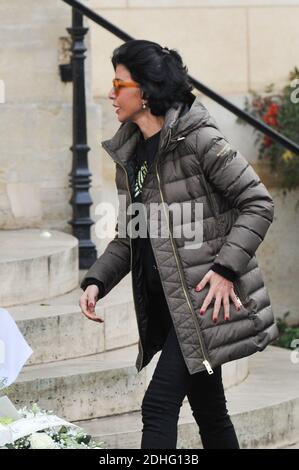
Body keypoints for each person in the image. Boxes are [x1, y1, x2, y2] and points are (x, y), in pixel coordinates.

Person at [79, 40, 279, 449]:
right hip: (168, 303)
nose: (110, 94)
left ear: (147, 92)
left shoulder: (198, 139)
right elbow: (129, 235)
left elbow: (258, 203)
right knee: (210, 411)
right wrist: (97, 280)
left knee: (158, 405)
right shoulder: (131, 154)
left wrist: (225, 270)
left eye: (119, 84)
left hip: (204, 303)